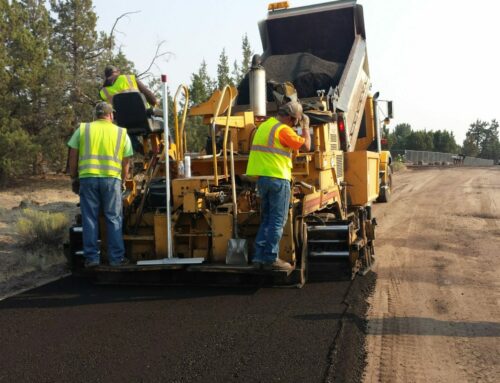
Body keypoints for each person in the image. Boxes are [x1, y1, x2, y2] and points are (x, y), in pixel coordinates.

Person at [246, 101, 311, 271]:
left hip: (263, 180)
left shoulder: (265, 126)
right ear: (290, 118)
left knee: (266, 219)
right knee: (277, 220)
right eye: (295, 121)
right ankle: (271, 258)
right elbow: (306, 146)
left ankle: (258, 258)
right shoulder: (283, 130)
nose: (294, 125)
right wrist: (305, 126)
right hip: (278, 179)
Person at [67, 102, 133, 268]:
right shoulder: (121, 133)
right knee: (114, 218)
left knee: (89, 218)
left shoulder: (82, 129)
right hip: (111, 180)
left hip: (88, 179)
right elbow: (126, 162)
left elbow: (73, 155)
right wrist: (123, 180)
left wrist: (74, 176)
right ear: (111, 115)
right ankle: (116, 259)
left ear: (95, 115)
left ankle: (92, 258)